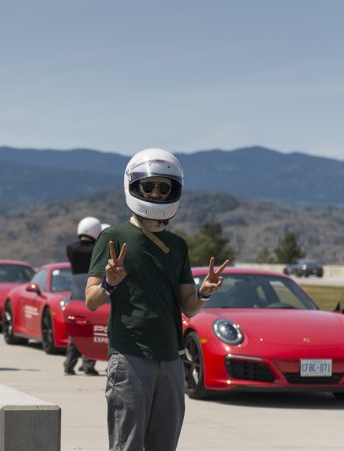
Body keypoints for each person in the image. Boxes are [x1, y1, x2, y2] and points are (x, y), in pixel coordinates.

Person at [85, 148, 230, 451]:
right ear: (133, 186)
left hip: (172, 359)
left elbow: (188, 305)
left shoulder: (177, 245)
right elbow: (91, 300)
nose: (156, 193)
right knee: (127, 445)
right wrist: (110, 283)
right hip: (130, 357)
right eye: (148, 186)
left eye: (164, 188)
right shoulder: (113, 237)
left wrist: (205, 290)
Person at [63, 216, 102, 376]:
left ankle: (69, 363)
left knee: (75, 332)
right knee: (90, 331)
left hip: (75, 297)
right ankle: (88, 365)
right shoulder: (97, 250)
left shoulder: (71, 248)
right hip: (91, 295)